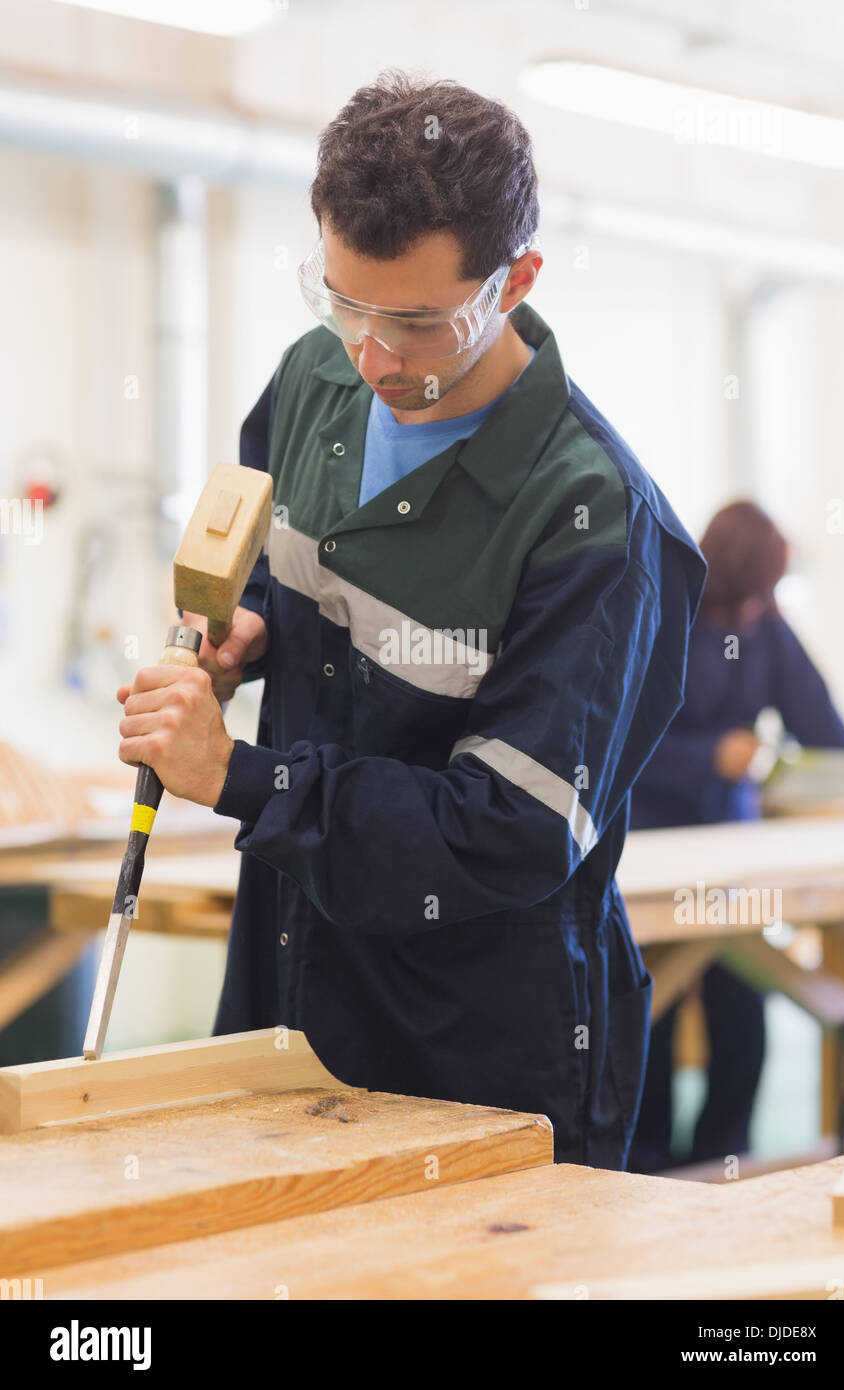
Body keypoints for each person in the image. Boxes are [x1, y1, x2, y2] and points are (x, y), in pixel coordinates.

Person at [116, 71, 706, 1169]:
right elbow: (267, 568)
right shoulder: (310, 387)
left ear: (515, 278)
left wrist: (239, 779)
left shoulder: (595, 523)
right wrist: (249, 630)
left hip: (478, 1055)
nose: (372, 357)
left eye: (417, 321)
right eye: (342, 302)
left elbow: (503, 832)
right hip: (286, 995)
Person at [628, 499, 844, 1173]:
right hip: (648, 844)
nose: (755, 612)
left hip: (734, 855)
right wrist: (709, 756)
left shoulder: (767, 629)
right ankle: (646, 1164)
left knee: (742, 1012)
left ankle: (725, 1157)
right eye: (748, 597)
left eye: (766, 598)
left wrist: (834, 783)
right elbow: (618, 745)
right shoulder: (661, 616)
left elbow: (827, 734)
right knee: (650, 1015)